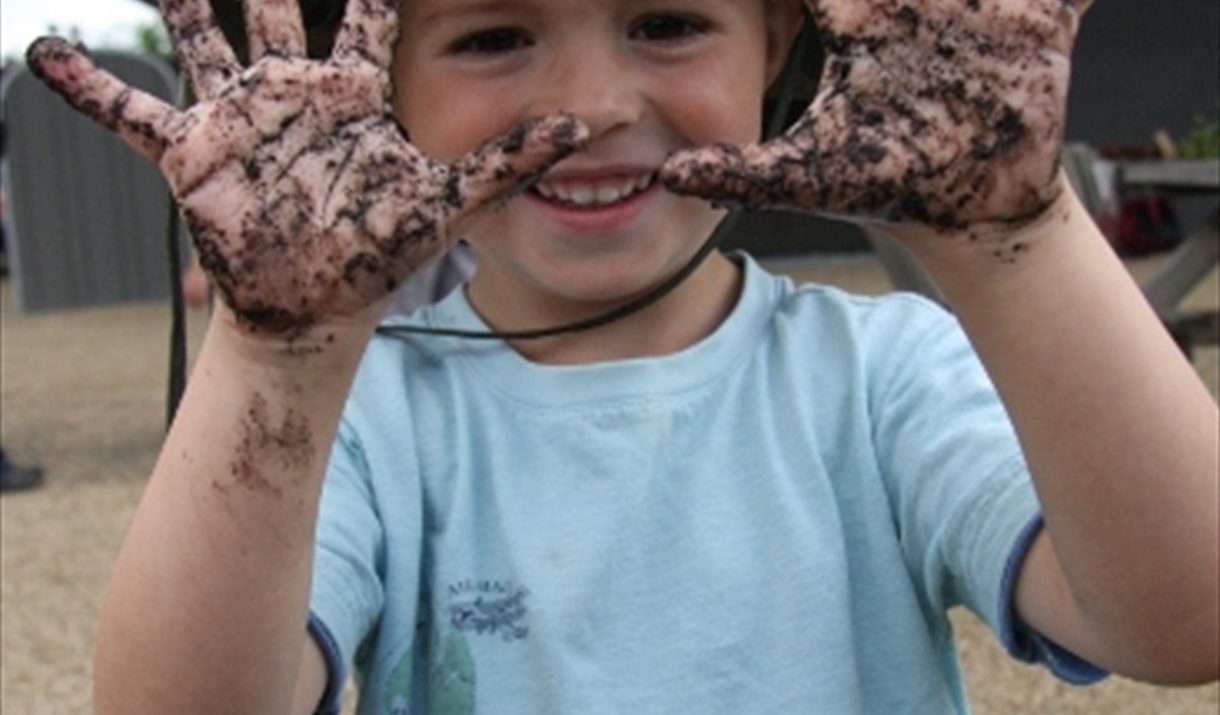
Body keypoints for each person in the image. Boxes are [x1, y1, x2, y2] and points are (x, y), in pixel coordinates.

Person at [25, 0, 1219, 713]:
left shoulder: (880, 377)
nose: (591, 102)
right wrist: (278, 353)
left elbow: (1184, 622)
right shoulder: (366, 419)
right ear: (376, 83)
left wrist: (1013, 232)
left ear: (778, 43)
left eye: (665, 22)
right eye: (492, 33)